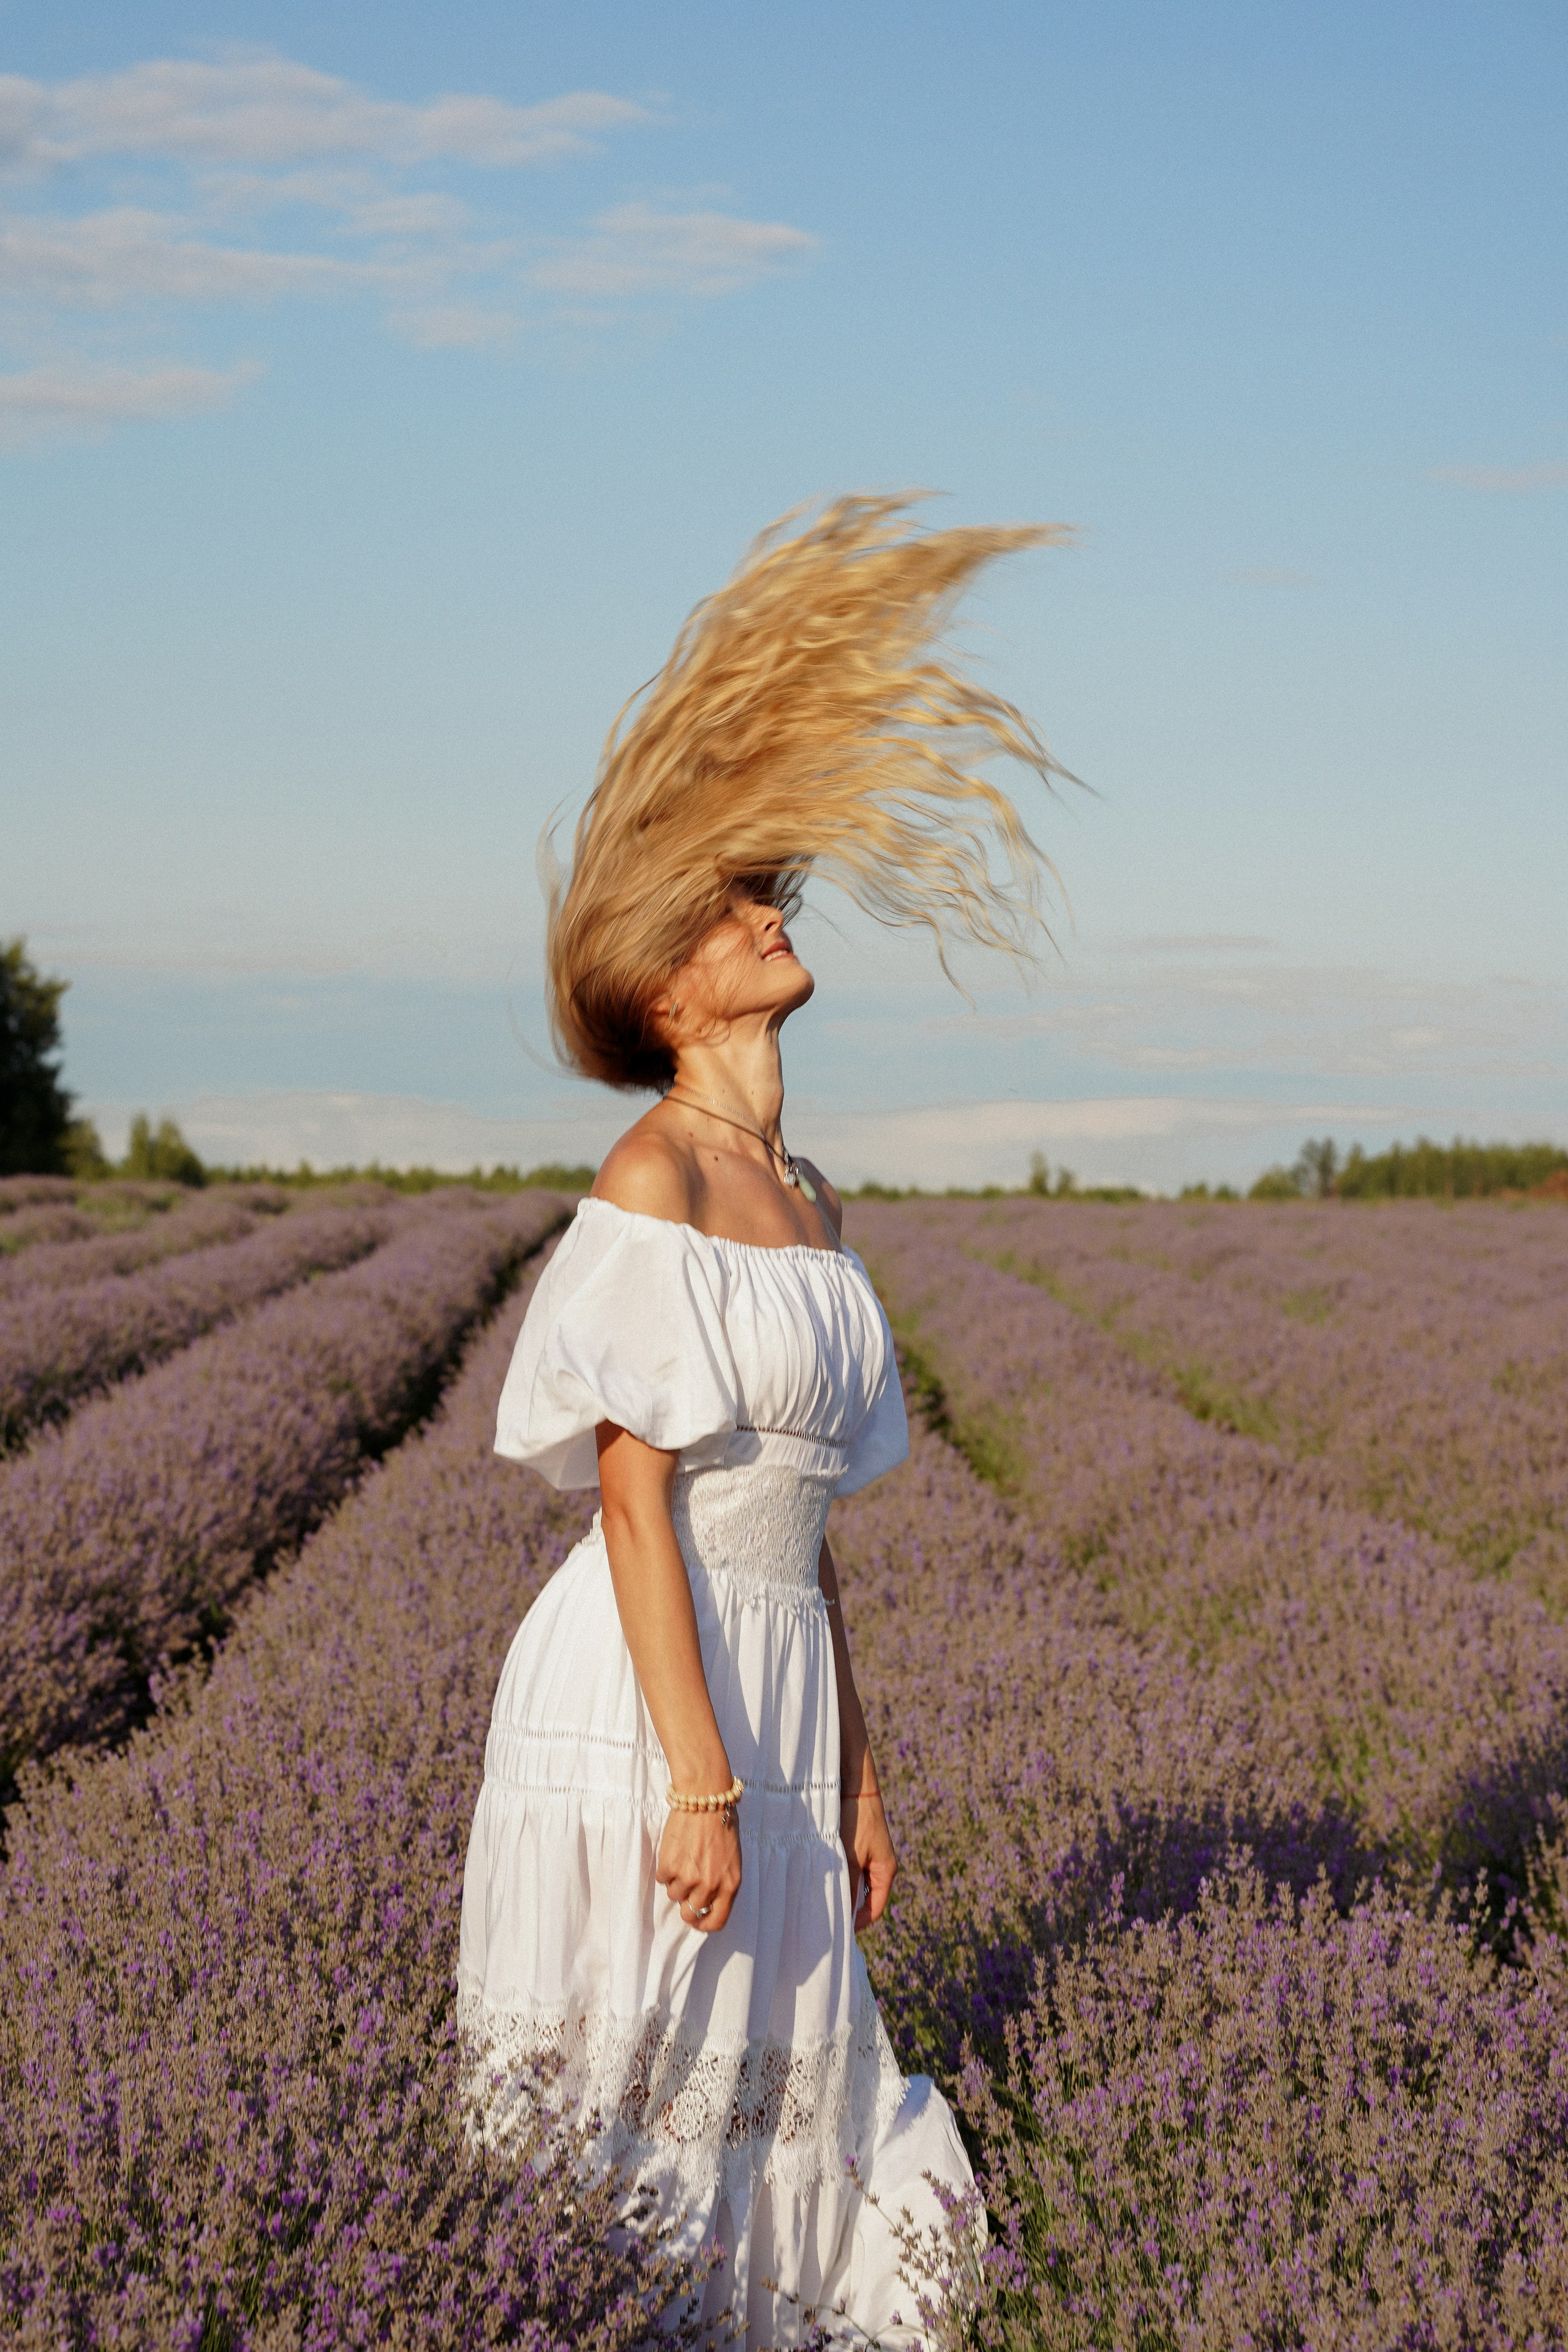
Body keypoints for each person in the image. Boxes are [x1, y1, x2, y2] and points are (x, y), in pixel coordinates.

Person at [457, 494, 1072, 2348]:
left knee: (796, 2088)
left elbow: (807, 1525)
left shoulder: (806, 1195)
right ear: (670, 984)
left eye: (767, 894)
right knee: (649, 2097)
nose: (771, 916)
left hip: (782, 1667)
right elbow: (638, 1510)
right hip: (663, 1693)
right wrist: (703, 1780)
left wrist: (860, 1765)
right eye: (738, 910)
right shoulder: (651, 1179)